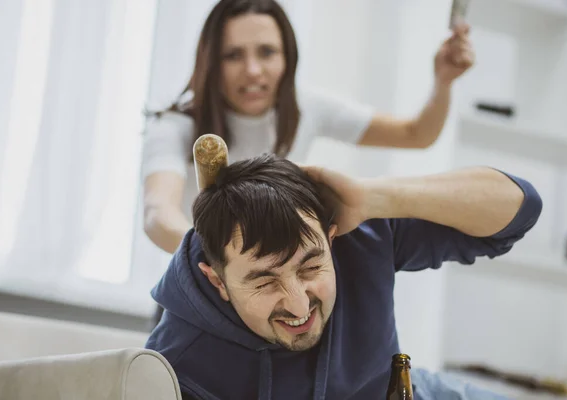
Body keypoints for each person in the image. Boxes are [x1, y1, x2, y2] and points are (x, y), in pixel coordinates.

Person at [146, 154, 542, 399]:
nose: (300, 305)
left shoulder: (361, 235)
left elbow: (520, 209)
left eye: (311, 267)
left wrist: (375, 197)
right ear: (217, 281)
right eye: (265, 282)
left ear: (330, 240)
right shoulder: (176, 362)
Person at [141, 0, 475, 255]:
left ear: (288, 58)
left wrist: (443, 82)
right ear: (211, 61)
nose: (253, 70)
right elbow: (159, 214)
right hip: (199, 283)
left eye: (267, 52)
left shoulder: (308, 108)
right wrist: (215, 261)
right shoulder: (178, 127)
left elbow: (417, 135)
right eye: (233, 55)